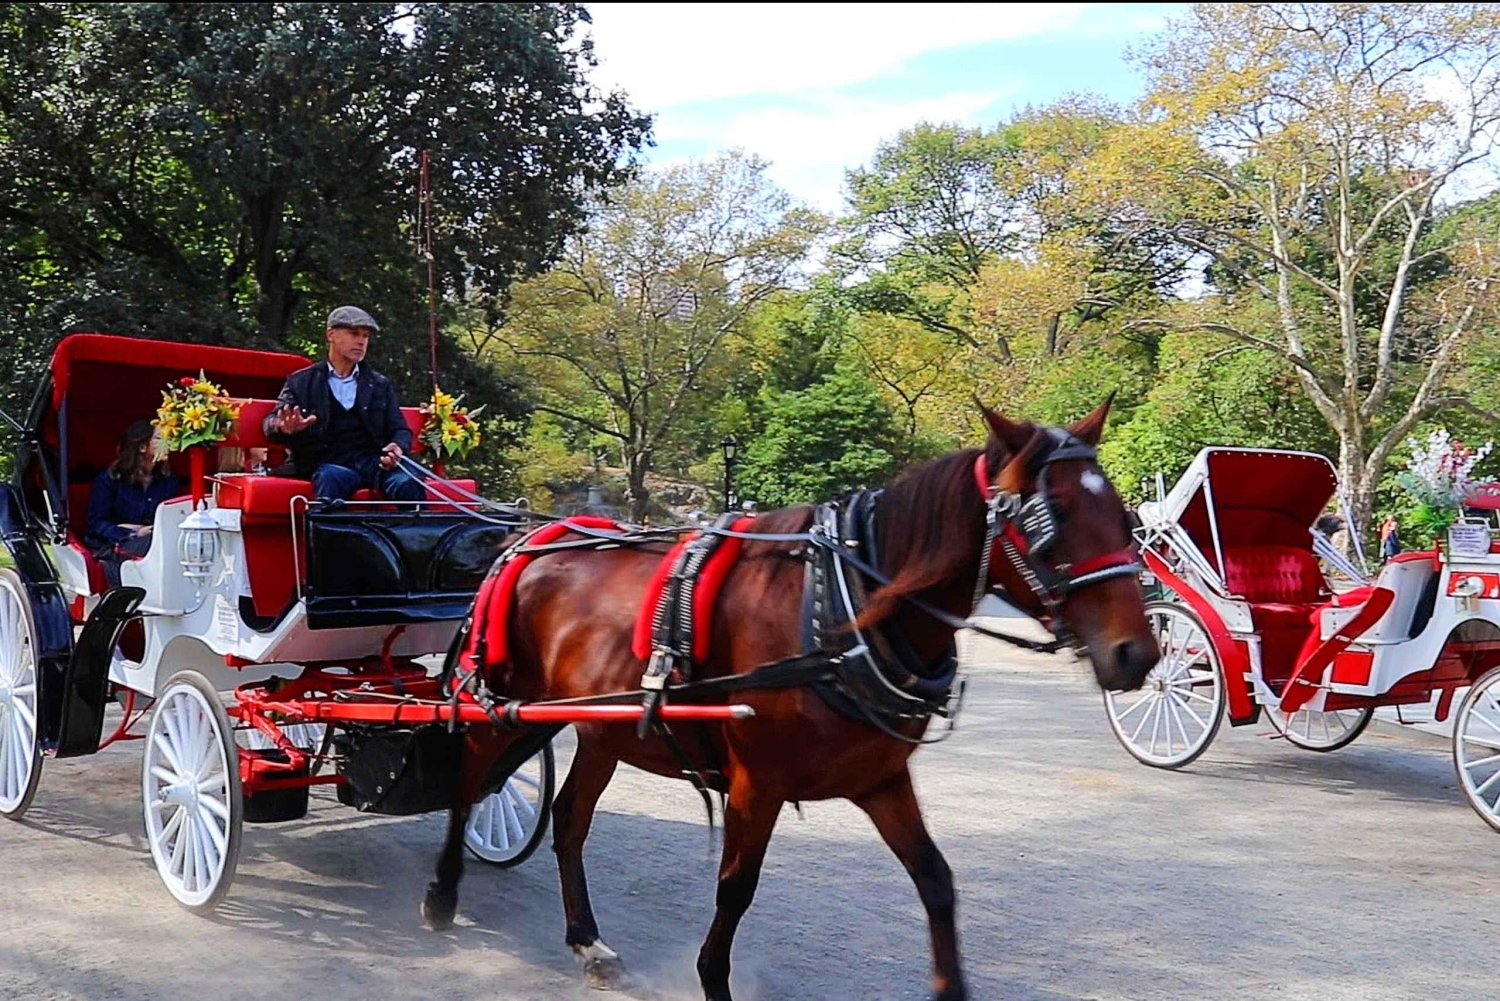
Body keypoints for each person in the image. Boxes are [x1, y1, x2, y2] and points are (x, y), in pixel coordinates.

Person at [262, 305, 425, 502]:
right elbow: (271, 421)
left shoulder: (379, 384)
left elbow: (399, 429)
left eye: (365, 336)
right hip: (329, 463)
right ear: (331, 335)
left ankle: (415, 524)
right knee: (330, 478)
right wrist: (283, 426)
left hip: (374, 463)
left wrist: (397, 447)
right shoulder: (301, 381)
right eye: (354, 333)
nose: (361, 341)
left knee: (408, 482)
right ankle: (328, 523)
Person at [86, 420, 181, 587]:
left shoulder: (168, 481)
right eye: (159, 438)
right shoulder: (110, 480)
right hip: (112, 544)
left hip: (156, 540)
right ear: (142, 447)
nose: (168, 443)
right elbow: (96, 524)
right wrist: (132, 532)